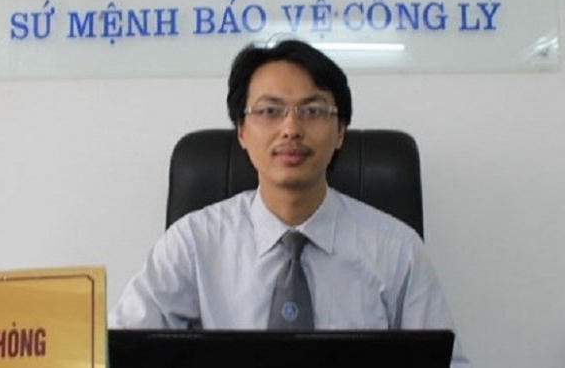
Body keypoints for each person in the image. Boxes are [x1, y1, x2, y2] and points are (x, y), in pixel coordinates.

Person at [109, 40, 471, 367]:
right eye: (270, 111)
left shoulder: (398, 251)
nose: (291, 129)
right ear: (242, 131)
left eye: (312, 111)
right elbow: (117, 352)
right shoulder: (192, 244)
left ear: (340, 132)